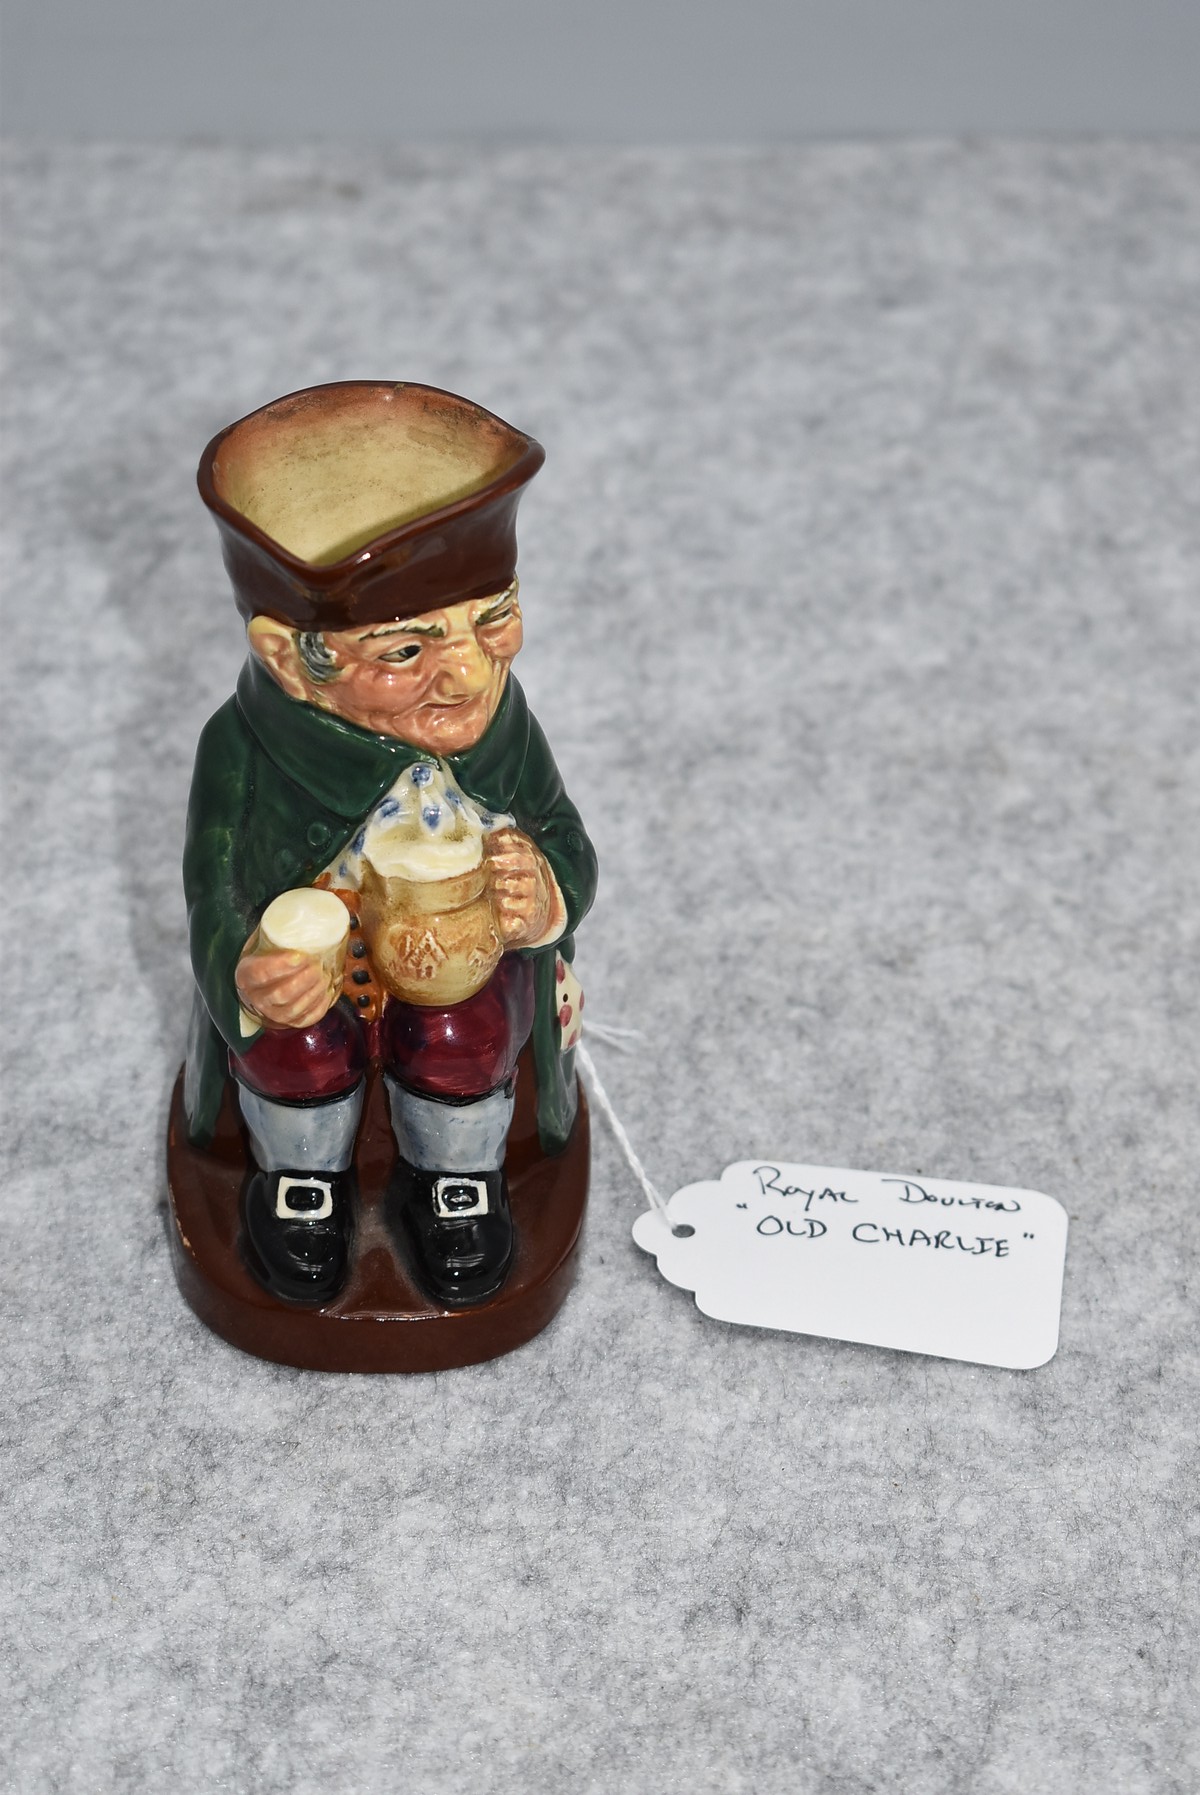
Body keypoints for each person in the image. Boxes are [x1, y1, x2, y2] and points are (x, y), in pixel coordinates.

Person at [182, 382, 596, 1310]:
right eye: (406, 652)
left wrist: (548, 894)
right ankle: (302, 1179)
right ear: (292, 661)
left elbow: (564, 833)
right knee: (295, 1044)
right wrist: (249, 974)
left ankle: (455, 1179)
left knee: (463, 1032)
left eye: (493, 618)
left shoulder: (502, 725)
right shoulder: (241, 749)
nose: (469, 672)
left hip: (465, 965)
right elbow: (211, 890)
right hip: (324, 978)